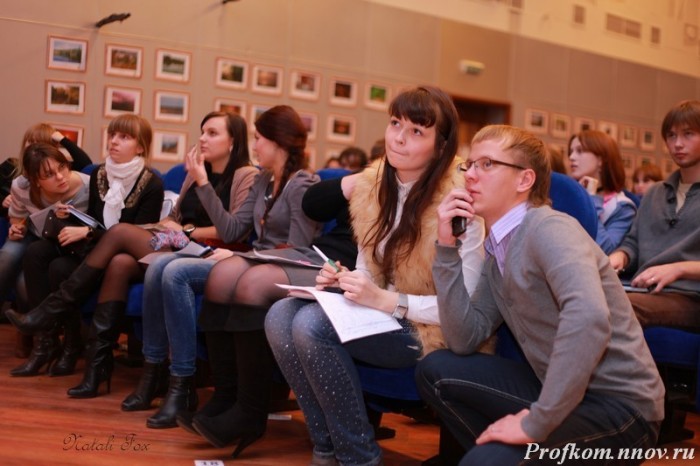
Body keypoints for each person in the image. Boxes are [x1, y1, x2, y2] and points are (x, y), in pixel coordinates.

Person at [415, 124, 664, 466]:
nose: (470, 175)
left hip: (620, 407)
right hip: (559, 390)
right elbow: (463, 338)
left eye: (487, 164)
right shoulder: (498, 250)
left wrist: (536, 423)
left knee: (485, 462)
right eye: (469, 164)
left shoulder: (550, 229)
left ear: (524, 180)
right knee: (436, 369)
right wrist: (446, 248)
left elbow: (590, 318)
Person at [265, 86, 485, 466]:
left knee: (312, 326)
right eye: (396, 123)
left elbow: (464, 312)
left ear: (441, 146)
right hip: (384, 311)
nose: (398, 137)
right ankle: (327, 448)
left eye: (417, 131)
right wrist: (345, 279)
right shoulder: (375, 186)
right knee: (280, 315)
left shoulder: (461, 204)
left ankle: (359, 457)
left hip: (432, 329)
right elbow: (370, 269)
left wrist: (385, 300)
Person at [171, 105, 321, 454]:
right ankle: (226, 396)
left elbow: (299, 246)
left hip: (298, 264)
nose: (254, 146)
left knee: (244, 279)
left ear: (278, 141)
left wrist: (252, 257)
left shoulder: (303, 183)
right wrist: (203, 183)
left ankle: (251, 411)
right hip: (264, 261)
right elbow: (231, 230)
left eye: (258, 138)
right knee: (220, 276)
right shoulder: (263, 179)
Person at [118, 111, 257, 426]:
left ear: (233, 142)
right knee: (151, 264)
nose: (203, 139)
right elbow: (176, 217)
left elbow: (233, 232)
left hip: (222, 253)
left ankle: (181, 383)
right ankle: (154, 372)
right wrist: (172, 227)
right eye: (202, 132)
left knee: (165, 267)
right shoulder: (196, 173)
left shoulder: (246, 175)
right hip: (184, 246)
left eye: (212, 133)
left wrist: (188, 229)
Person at [6, 114, 164, 383]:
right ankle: (51, 344)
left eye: (124, 137)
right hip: (95, 248)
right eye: (112, 135)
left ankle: (53, 326)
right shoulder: (100, 174)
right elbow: (94, 218)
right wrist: (72, 218)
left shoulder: (152, 182)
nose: (114, 141)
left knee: (59, 266)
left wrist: (89, 232)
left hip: (125, 256)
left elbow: (136, 233)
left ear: (140, 147)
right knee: (38, 252)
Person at [0, 124, 92, 357]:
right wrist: (16, 228)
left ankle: (42, 336)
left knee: (30, 275)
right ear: (35, 180)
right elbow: (17, 218)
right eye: (48, 174)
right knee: (8, 258)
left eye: (61, 167)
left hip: (65, 242)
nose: (59, 177)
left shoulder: (87, 185)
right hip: (33, 233)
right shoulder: (21, 185)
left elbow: (101, 227)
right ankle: (40, 338)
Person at [610, 100, 700, 330]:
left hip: (690, 296)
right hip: (643, 289)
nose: (677, 143)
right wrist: (620, 257)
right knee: (581, 298)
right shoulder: (654, 193)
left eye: (688, 134)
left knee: (614, 308)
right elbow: (633, 242)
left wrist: (678, 269)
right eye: (671, 135)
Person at [568, 130, 636, 253]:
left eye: (580, 151)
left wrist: (591, 200)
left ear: (601, 160)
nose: (571, 157)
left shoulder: (623, 207)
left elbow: (605, 248)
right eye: (571, 151)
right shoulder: (568, 194)